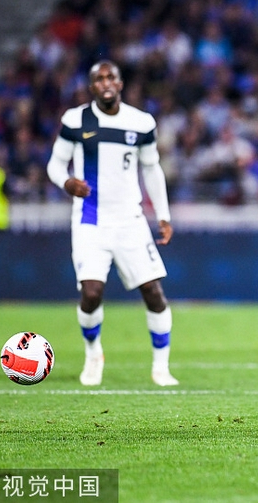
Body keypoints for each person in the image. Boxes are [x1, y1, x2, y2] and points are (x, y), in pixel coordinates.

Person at [47, 60, 178, 387]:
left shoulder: (141, 122)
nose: (105, 83)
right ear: (92, 87)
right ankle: (93, 354)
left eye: (111, 77)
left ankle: (161, 367)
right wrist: (66, 182)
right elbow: (55, 165)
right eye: (99, 78)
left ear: (120, 84)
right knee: (91, 294)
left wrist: (163, 215)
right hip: (90, 220)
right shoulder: (75, 120)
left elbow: (151, 168)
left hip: (130, 220)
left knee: (153, 292)